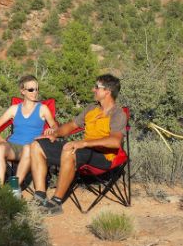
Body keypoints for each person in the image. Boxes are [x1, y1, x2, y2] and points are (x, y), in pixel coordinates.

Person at [30, 74, 126, 215]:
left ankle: (56, 202)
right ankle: (40, 195)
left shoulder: (118, 114)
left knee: (70, 149)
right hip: (85, 150)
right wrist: (54, 134)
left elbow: (115, 142)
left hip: (103, 157)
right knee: (37, 145)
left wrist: (84, 143)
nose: (93, 90)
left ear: (107, 91)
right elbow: (71, 125)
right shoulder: (91, 109)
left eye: (97, 87)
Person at [0, 75, 58, 186]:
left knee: (27, 148)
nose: (35, 92)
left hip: (31, 148)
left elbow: (55, 125)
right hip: (14, 147)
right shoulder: (14, 109)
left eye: (36, 89)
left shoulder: (42, 108)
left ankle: (13, 188)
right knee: (0, 148)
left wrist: (52, 129)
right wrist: (0, 139)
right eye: (31, 89)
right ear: (22, 91)